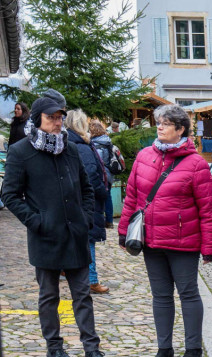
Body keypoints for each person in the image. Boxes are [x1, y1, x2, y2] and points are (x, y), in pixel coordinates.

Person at [1, 97, 105, 357]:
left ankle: (92, 349)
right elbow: (10, 195)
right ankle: (54, 349)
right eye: (51, 118)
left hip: (75, 234)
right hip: (45, 236)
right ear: (38, 120)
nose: (58, 123)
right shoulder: (21, 151)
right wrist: (37, 221)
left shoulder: (69, 148)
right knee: (49, 296)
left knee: (82, 295)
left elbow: (86, 188)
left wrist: (86, 218)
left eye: (60, 117)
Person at [117, 104, 212, 357]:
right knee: (161, 296)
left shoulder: (196, 164)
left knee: (188, 294)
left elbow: (207, 209)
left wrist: (208, 248)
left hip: (184, 243)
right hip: (151, 240)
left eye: (165, 123)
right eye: (158, 122)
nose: (159, 127)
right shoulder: (144, 157)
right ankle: (165, 349)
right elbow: (132, 198)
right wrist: (123, 231)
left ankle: (193, 349)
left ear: (180, 129)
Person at [65, 110, 111, 295]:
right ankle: (91, 279)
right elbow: (91, 176)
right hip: (86, 201)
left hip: (74, 200)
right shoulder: (82, 147)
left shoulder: (69, 143)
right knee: (88, 240)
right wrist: (102, 190)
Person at [90, 121, 115, 229]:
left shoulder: (95, 143)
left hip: (101, 173)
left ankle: (102, 221)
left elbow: (97, 161)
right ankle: (109, 220)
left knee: (98, 196)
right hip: (108, 173)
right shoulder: (108, 141)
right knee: (108, 196)